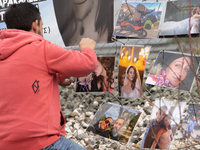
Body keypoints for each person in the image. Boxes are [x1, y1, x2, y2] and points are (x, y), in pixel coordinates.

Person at [0, 3, 97, 150]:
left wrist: (55, 78)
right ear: (36, 24)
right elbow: (87, 65)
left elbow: (21, 78)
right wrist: (87, 49)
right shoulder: (41, 47)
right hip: (39, 143)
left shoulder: (4, 50)